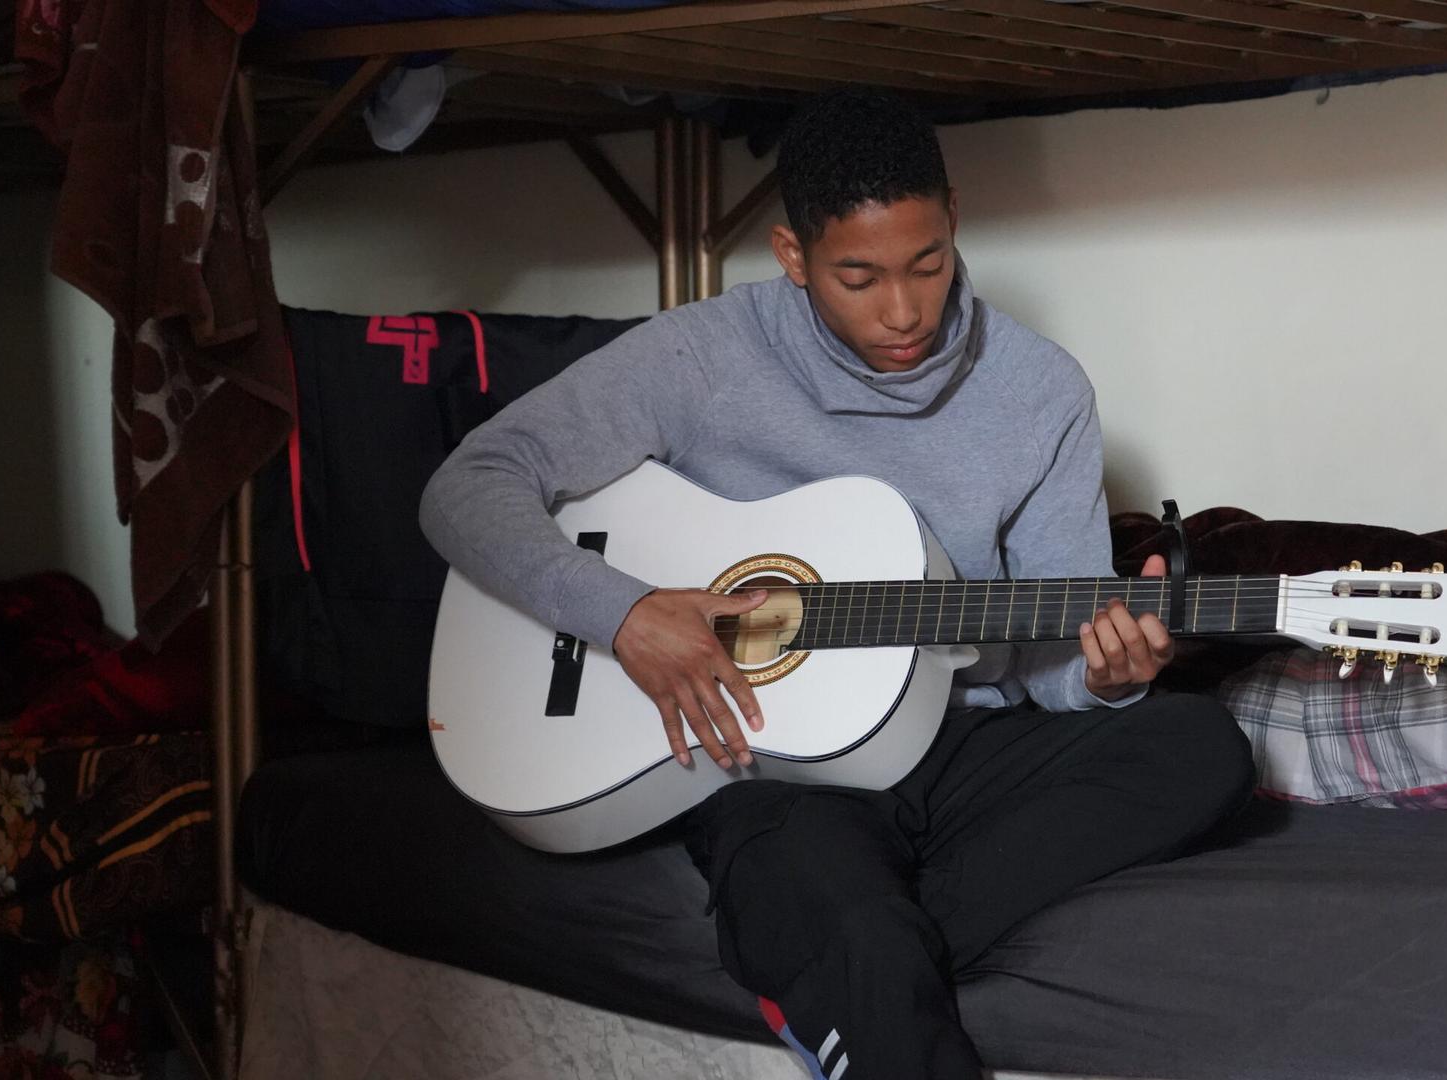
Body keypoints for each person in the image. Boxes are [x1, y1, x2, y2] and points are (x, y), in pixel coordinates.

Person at [420, 87, 1254, 1079]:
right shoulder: (706, 356)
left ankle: (837, 951)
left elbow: (1046, 668)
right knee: (836, 901)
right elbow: (466, 487)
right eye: (857, 277)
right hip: (771, 762)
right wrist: (625, 613)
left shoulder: (1042, 392)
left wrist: (1108, 677)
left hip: (959, 743)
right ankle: (852, 943)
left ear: (953, 219)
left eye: (929, 264)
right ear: (792, 257)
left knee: (1200, 746)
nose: (903, 311)